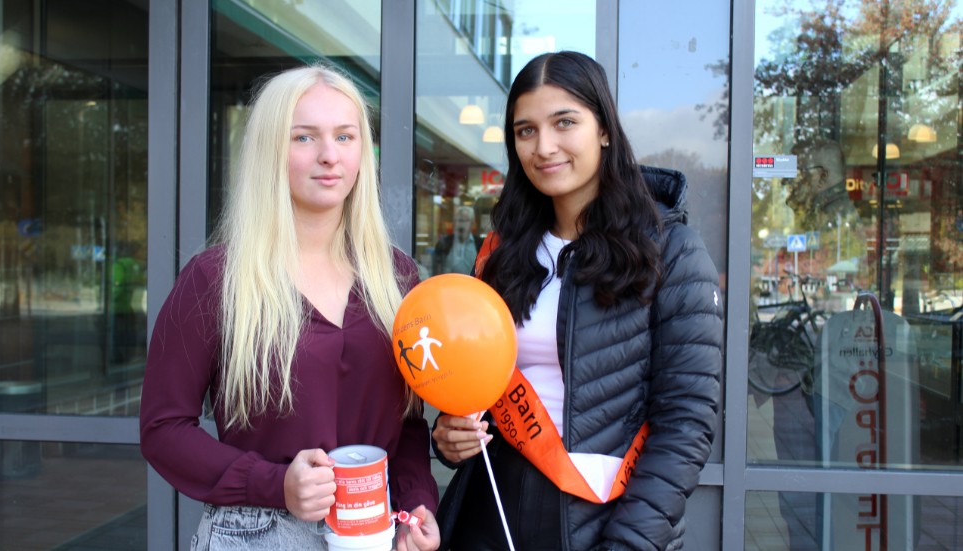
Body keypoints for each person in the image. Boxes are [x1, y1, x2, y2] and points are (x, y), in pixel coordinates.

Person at [139, 65, 440, 551]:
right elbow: (163, 429)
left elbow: (406, 425)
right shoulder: (216, 279)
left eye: (345, 136)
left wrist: (418, 503)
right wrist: (275, 484)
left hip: (373, 530)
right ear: (270, 151)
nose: (329, 156)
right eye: (304, 137)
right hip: (256, 533)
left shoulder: (397, 278)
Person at [431, 51, 723, 550]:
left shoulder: (670, 250)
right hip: (491, 516)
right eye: (525, 130)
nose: (544, 147)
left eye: (564, 123)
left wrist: (629, 543)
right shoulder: (502, 253)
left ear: (604, 129)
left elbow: (686, 424)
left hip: (609, 527)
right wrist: (449, 437)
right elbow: (472, 388)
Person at [432, 206, 483, 275]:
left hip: (473, 285)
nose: (462, 224)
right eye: (459, 220)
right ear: (454, 223)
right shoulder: (443, 243)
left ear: (472, 223)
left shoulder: (480, 244)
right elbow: (436, 270)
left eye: (466, 221)